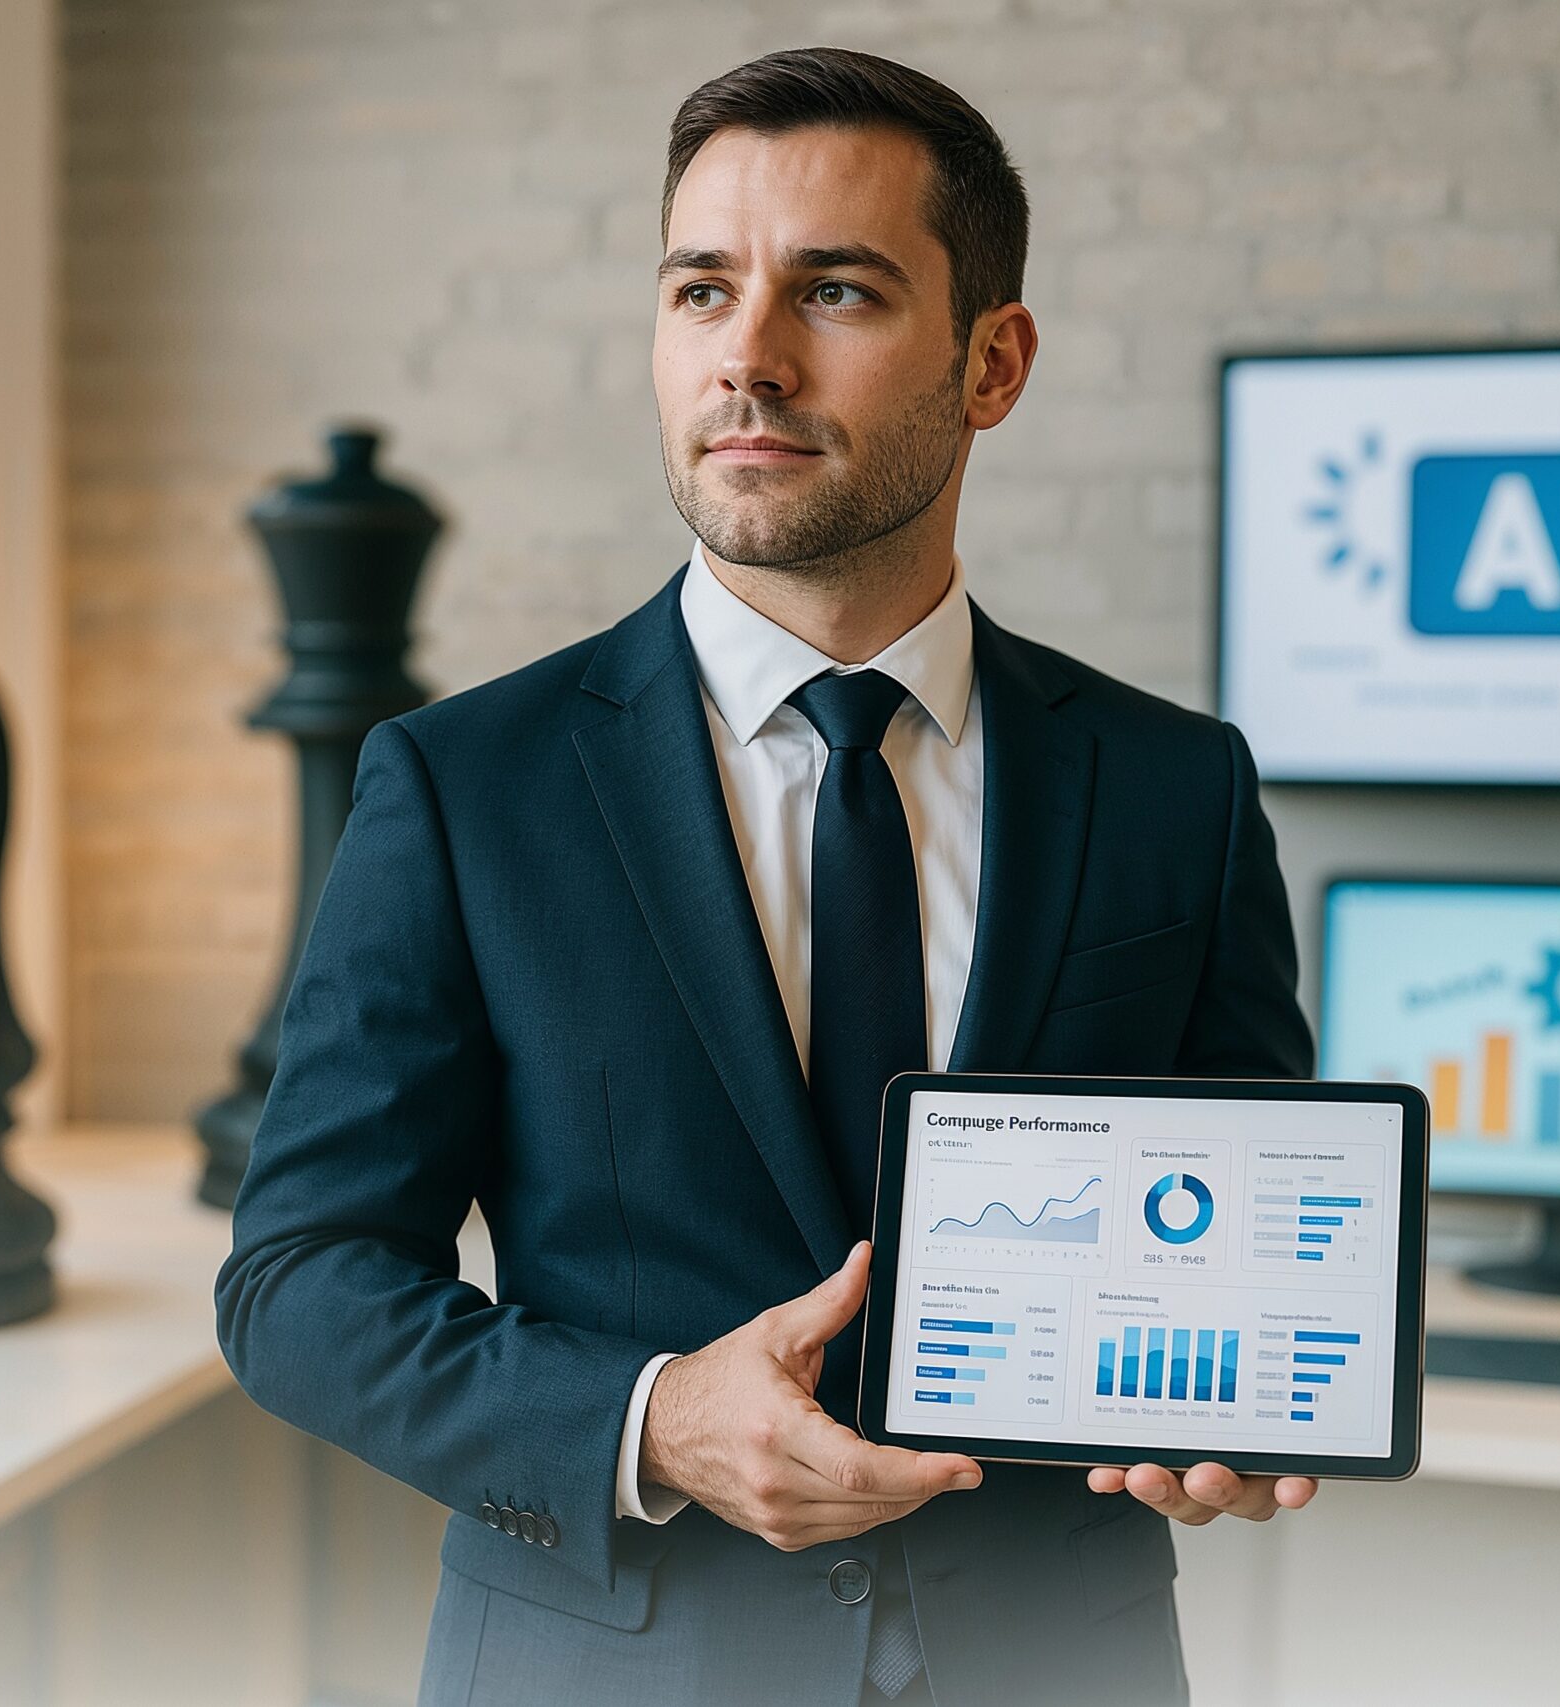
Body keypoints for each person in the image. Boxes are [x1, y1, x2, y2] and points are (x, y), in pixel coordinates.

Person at [215, 45, 1316, 1707]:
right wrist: (648, 1421)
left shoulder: (1180, 788)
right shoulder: (462, 786)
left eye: (840, 292)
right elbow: (298, 1285)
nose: (750, 355)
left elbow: (1243, 1244)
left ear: (994, 361)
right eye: (701, 290)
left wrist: (1236, 1414)